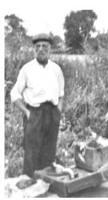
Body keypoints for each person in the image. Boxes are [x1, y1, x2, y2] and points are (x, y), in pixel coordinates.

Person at [11, 33, 65, 177]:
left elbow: (61, 94)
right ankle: (29, 183)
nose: (41, 49)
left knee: (49, 150)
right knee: (32, 151)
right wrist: (27, 112)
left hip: (52, 113)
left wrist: (58, 111)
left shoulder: (56, 69)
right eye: (38, 46)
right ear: (34, 49)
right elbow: (14, 94)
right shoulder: (27, 69)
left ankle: (47, 185)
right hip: (34, 112)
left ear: (50, 49)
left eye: (44, 46)